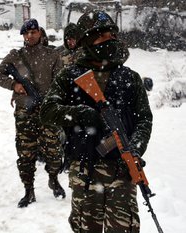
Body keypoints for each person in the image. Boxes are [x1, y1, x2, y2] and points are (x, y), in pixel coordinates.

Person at [40, 10, 153, 233]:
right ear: (87, 41)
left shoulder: (129, 77)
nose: (109, 40)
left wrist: (136, 149)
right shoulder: (69, 76)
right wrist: (81, 114)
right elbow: (48, 111)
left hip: (122, 170)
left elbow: (144, 119)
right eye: (102, 37)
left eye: (112, 35)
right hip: (84, 170)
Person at [0, 18, 66, 208]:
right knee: (26, 153)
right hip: (24, 111)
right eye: (26, 33)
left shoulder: (52, 55)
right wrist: (14, 85)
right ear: (23, 35)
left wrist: (53, 100)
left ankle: (53, 178)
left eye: (33, 32)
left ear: (40, 33)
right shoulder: (15, 56)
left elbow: (61, 82)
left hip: (48, 111)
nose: (30, 35)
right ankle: (29, 190)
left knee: (54, 151)